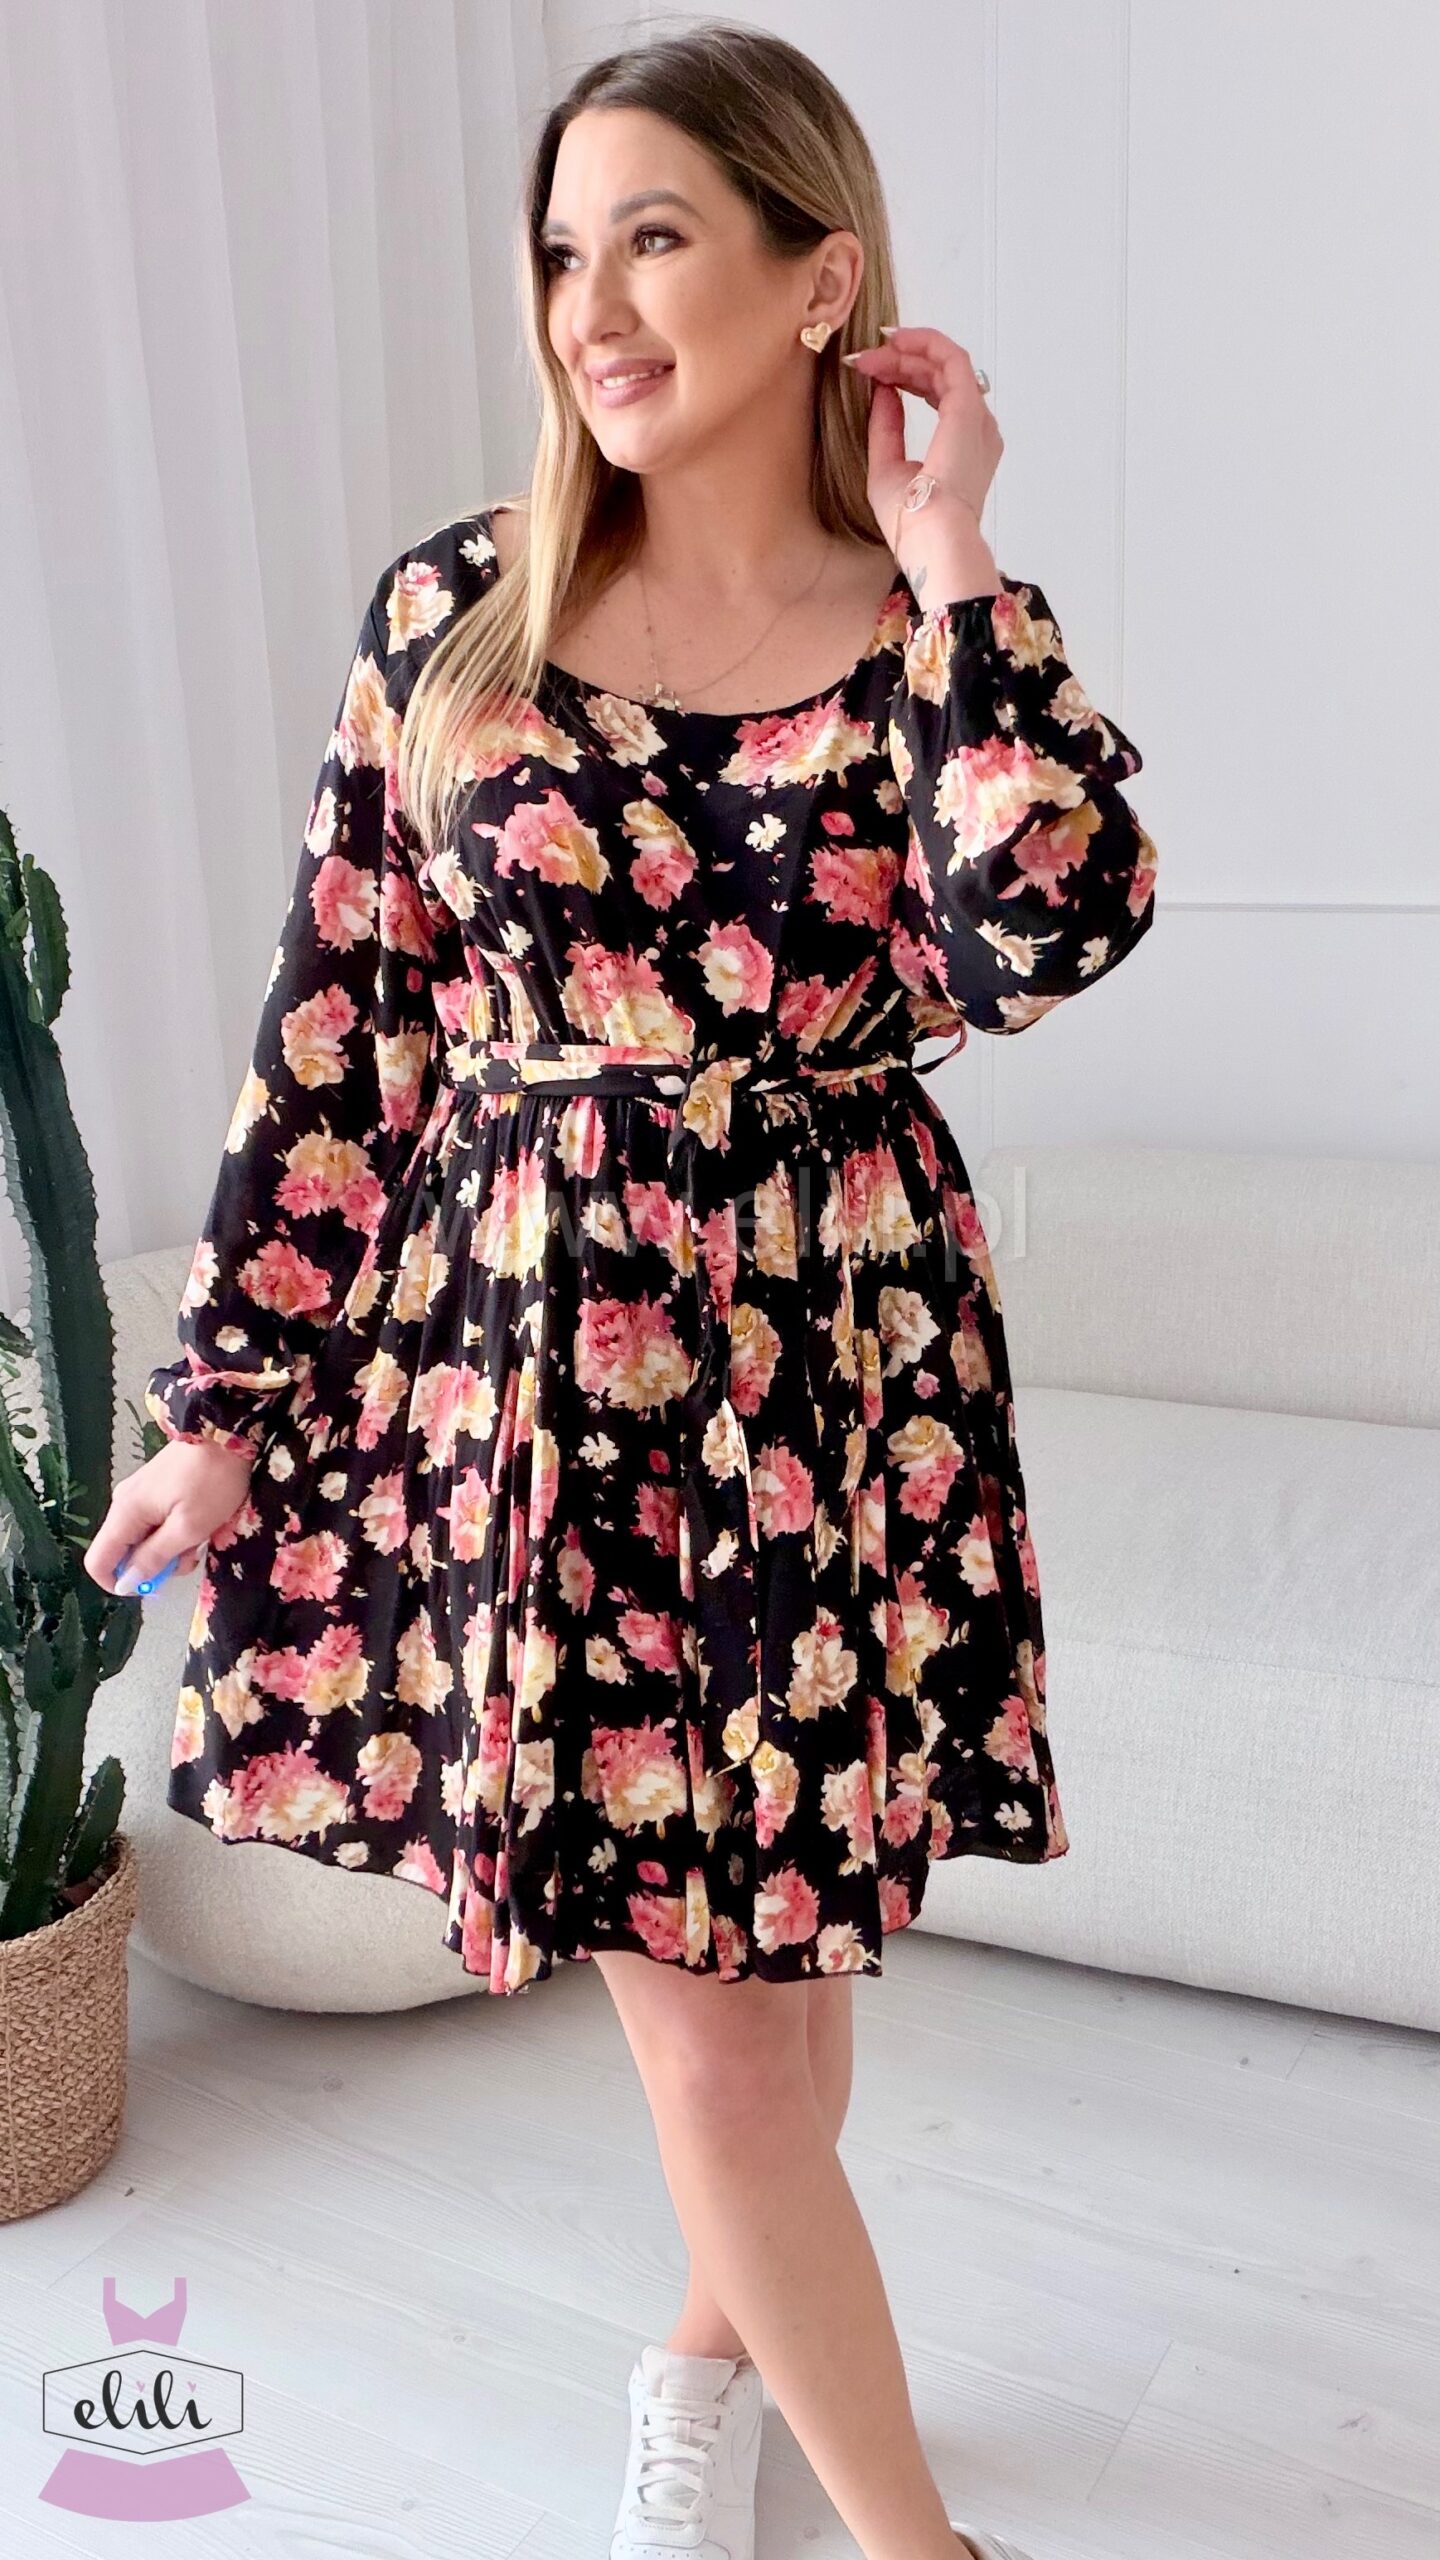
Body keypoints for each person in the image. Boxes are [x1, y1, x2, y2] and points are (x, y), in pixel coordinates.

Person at [86, 24, 1157, 2560]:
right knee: (720, 2054)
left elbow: (1053, 927)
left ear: (823, 277)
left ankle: (703, 2358)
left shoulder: (923, 634)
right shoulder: (459, 615)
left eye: (657, 236)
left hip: (831, 1361)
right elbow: (340, 1029)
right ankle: (919, 2541)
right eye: (562, 248)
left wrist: (956, 559)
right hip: (549, 1375)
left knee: (781, 1991)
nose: (589, 303)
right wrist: (229, 1402)